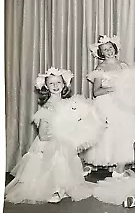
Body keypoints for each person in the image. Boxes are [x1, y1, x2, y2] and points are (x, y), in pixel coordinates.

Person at [5, 67, 94, 204]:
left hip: (64, 141)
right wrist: (60, 137)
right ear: (46, 86)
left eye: (58, 83)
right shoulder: (48, 107)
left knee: (66, 162)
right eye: (51, 83)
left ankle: (63, 187)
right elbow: (42, 135)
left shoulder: (68, 104)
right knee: (55, 161)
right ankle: (54, 189)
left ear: (64, 84)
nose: (55, 86)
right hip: (49, 143)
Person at [83, 35, 135, 178]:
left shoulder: (123, 66)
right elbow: (96, 92)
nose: (108, 51)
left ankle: (119, 168)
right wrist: (113, 88)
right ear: (101, 53)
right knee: (108, 134)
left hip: (122, 103)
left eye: (110, 48)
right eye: (104, 50)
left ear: (115, 49)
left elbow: (131, 85)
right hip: (106, 104)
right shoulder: (100, 68)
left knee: (125, 133)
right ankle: (109, 165)